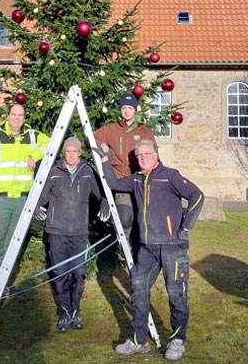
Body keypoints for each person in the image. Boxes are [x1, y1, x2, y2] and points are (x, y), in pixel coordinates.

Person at [96, 139, 204, 361]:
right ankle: (139, 340)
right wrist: (105, 160)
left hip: (172, 246)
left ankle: (177, 340)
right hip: (147, 248)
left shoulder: (170, 175)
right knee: (138, 290)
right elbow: (114, 184)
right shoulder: (136, 179)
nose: (143, 158)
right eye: (139, 155)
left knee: (176, 295)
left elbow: (197, 195)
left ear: (156, 154)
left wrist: (185, 226)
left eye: (147, 154)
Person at [0, 103, 49, 293]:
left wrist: (35, 154)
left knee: (11, 244)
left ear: (25, 118)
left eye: (20, 115)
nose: (17, 118)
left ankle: (2, 283)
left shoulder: (32, 137)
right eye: (13, 114)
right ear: (8, 116)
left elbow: (49, 142)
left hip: (22, 200)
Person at [34, 136, 107, 332]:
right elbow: (40, 197)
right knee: (60, 274)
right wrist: (36, 207)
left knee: (78, 274)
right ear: (63, 153)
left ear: (79, 153)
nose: (71, 154)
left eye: (74, 151)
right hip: (56, 232)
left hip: (78, 233)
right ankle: (64, 314)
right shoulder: (54, 173)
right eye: (68, 151)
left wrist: (105, 203)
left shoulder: (87, 172)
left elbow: (101, 193)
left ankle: (76, 312)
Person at [93, 93, 156, 241]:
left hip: (140, 180)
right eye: (123, 108)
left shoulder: (144, 131)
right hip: (120, 181)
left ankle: (139, 246)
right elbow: (93, 138)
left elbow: (154, 154)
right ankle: (125, 242)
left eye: (129, 108)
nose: (126, 111)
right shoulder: (112, 129)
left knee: (143, 217)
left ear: (135, 110)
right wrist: (105, 149)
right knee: (125, 217)